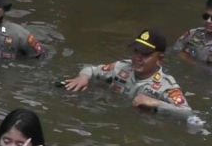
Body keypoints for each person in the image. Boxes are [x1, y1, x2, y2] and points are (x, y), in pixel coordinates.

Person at [64, 28, 192, 118]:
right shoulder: (120, 67)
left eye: (146, 54)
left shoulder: (166, 85)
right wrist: (82, 77)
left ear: (160, 59)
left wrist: (156, 103)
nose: (138, 58)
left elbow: (186, 112)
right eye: (136, 51)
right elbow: (91, 69)